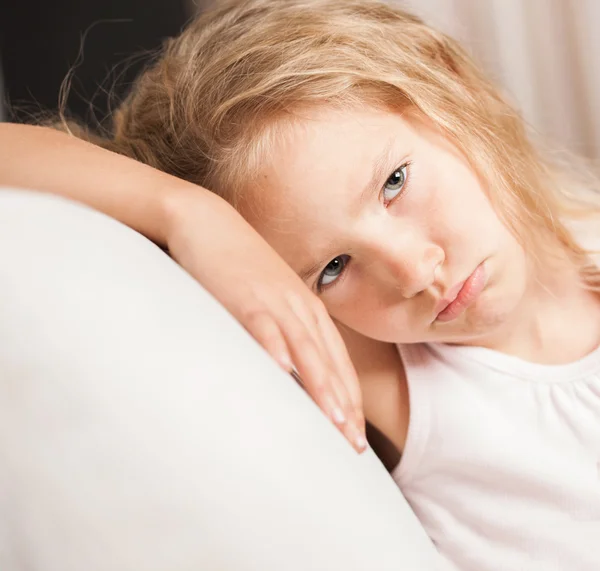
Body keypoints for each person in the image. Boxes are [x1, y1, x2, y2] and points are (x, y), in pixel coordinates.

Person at [2, 0, 600, 568]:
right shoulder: (395, 379)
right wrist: (186, 213)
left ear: (451, 88)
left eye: (395, 182)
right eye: (333, 269)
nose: (415, 273)